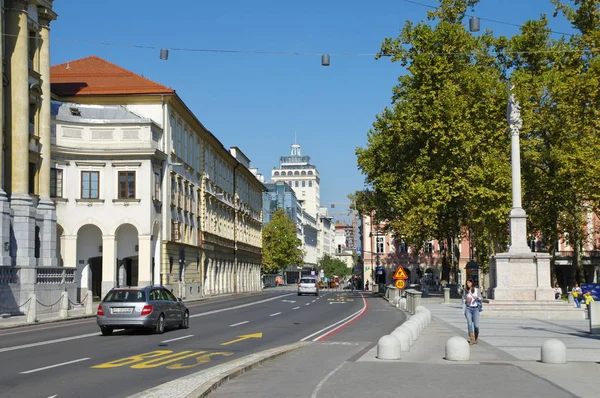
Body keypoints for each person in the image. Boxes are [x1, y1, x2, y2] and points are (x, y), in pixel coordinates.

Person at [463, 278, 482, 345]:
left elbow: (481, 298)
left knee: (476, 325)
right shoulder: (465, 290)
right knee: (469, 324)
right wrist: (466, 301)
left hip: (475, 309)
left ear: (472, 283)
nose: (468, 284)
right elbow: (463, 299)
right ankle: (472, 339)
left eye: (469, 283)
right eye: (467, 283)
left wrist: (477, 298)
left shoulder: (476, 290)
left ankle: (476, 336)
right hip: (468, 309)